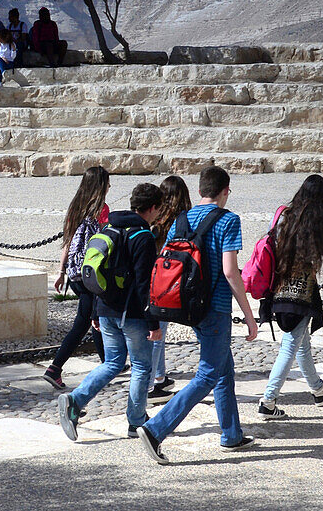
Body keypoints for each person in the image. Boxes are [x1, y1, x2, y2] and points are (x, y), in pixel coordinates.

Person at [137, 165, 259, 464]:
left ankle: (231, 434)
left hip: (189, 307)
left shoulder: (181, 218)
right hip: (215, 308)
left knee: (223, 368)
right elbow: (231, 272)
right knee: (207, 374)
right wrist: (249, 315)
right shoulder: (229, 220)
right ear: (225, 191)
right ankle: (155, 429)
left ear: (201, 189)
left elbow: (164, 260)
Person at [58, 182, 165, 441]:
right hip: (131, 314)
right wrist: (153, 323)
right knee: (141, 366)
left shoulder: (109, 227)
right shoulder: (143, 237)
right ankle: (136, 421)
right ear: (152, 208)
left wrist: (95, 312)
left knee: (113, 362)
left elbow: (96, 271)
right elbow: (144, 284)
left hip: (105, 309)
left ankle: (75, 400)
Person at [258, 174, 323, 419]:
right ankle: (268, 400)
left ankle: (318, 391)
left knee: (301, 342)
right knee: (291, 345)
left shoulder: (284, 216)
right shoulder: (321, 225)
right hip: (303, 294)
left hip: (279, 287)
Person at [43, 167, 110, 391]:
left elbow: (68, 242)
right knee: (87, 322)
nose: (110, 188)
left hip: (75, 275)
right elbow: (104, 243)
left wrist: (61, 272)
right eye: (107, 183)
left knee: (93, 319)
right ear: (101, 185)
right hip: (92, 273)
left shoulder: (76, 207)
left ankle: (108, 364)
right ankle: (55, 368)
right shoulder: (101, 210)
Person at [147, 175, 192, 404]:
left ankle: (159, 376)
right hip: (172, 282)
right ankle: (152, 385)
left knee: (159, 332)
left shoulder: (156, 219)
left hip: (155, 279)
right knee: (157, 335)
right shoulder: (182, 221)